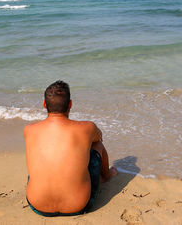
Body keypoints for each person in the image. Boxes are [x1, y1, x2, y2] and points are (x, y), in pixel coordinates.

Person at [24, 80, 118, 216]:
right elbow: (99, 137)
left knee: (41, 158)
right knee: (97, 145)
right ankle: (107, 175)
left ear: (44, 104)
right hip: (79, 206)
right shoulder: (87, 127)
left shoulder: (29, 130)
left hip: (37, 206)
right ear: (70, 104)